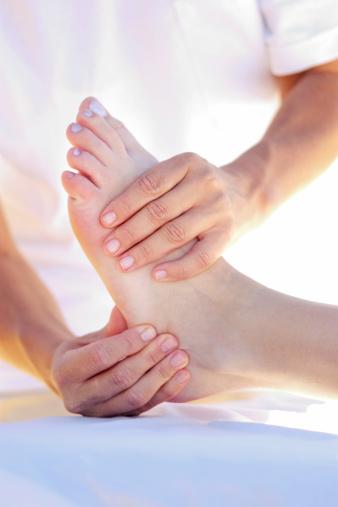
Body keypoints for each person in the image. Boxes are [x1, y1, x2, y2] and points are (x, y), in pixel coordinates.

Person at [1, 0, 338, 415]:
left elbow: (328, 70)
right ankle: (230, 329)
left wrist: (246, 188)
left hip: (249, 288)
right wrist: (53, 357)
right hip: (44, 369)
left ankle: (229, 328)